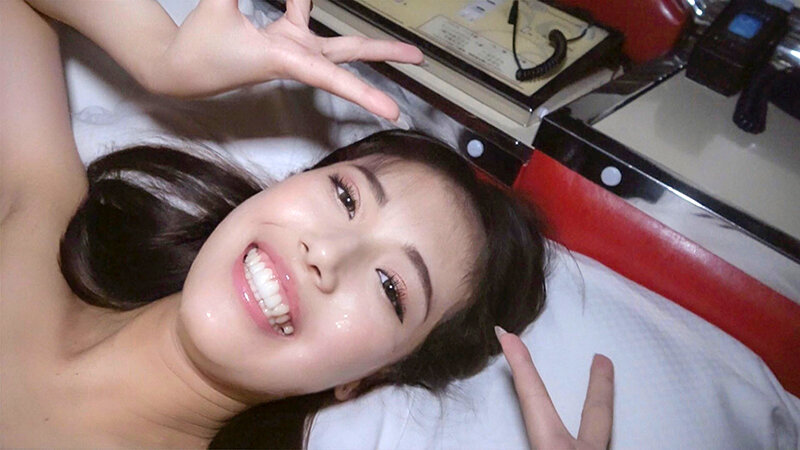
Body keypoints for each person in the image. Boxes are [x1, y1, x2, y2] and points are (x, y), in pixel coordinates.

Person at [0, 0, 612, 447]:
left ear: (366, 380)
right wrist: (162, 55)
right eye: (346, 197)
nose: (327, 254)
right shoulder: (39, 207)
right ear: (285, 185)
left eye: (391, 288)